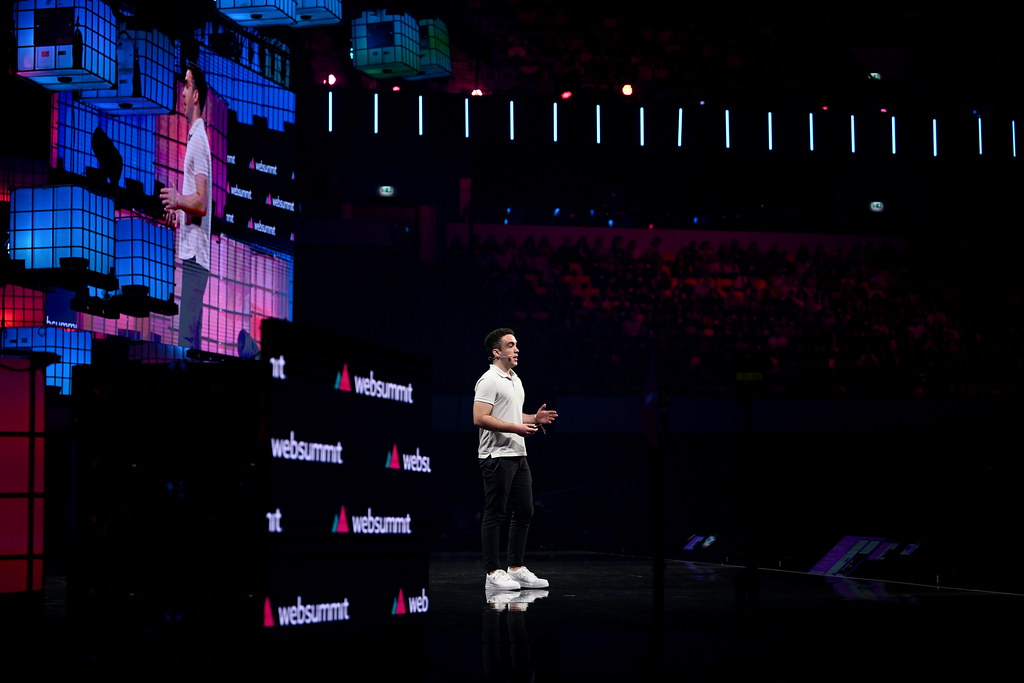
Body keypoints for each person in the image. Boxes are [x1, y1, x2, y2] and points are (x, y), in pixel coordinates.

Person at [473, 328, 558, 591]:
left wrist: (534, 419)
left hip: (518, 454)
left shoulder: (515, 379)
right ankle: (492, 572)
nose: (517, 349)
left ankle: (516, 568)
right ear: (496, 352)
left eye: (516, 344)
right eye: (510, 345)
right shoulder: (489, 380)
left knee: (524, 511)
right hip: (496, 456)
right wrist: (516, 429)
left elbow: (512, 415)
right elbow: (480, 417)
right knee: (495, 513)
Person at [160, 62, 211, 350]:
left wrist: (179, 200)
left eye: (187, 85)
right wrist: (179, 213)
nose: (182, 92)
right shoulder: (196, 138)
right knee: (189, 340)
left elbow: (201, 203)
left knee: (186, 342)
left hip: (195, 259)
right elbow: (195, 209)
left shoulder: (198, 141)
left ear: (196, 95)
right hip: (194, 258)